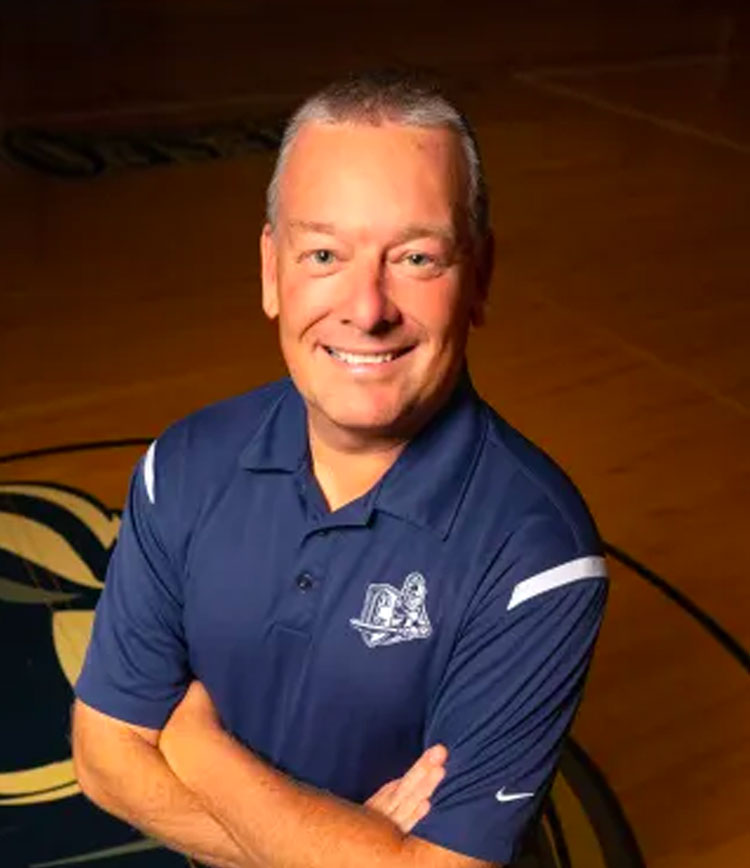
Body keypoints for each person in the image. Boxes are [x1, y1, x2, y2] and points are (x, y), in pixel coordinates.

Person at [72, 72, 608, 868]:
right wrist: (348, 848)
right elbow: (104, 760)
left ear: (481, 278)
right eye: (324, 252)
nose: (367, 307)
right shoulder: (181, 468)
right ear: (270, 271)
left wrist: (196, 746)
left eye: (416, 257)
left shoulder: (540, 559)